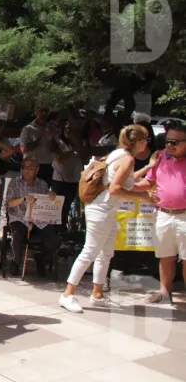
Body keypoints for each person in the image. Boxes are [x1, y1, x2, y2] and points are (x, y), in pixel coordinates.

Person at [59, 125, 151, 312]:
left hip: (105, 210)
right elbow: (115, 188)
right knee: (90, 252)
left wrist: (149, 168)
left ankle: (97, 294)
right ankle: (67, 294)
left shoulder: (117, 154)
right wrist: (143, 197)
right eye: (146, 140)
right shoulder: (128, 160)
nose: (147, 144)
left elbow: (127, 181)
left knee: (105, 253)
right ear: (139, 142)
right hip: (102, 210)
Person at [133, 120, 186, 304]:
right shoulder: (160, 156)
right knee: (165, 256)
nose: (169, 145)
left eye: (175, 142)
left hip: (185, 216)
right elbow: (149, 181)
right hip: (163, 213)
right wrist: (129, 189)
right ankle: (164, 293)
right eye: (167, 141)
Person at [4, 157, 62, 277]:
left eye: (31, 168)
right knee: (17, 235)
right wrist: (23, 199)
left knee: (54, 240)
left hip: (37, 219)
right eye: (25, 168)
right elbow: (9, 203)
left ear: (37, 169)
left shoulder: (42, 184)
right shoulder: (15, 182)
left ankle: (41, 258)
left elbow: (47, 203)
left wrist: (52, 196)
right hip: (19, 217)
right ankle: (16, 260)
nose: (27, 171)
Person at [51, 118, 87, 231]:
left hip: (74, 178)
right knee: (58, 204)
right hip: (60, 178)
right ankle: (55, 228)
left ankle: (64, 226)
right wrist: (72, 150)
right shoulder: (56, 141)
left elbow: (84, 157)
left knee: (68, 205)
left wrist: (75, 144)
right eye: (66, 128)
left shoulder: (78, 142)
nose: (69, 131)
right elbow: (59, 158)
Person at [20, 106, 56, 185]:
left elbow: (55, 150)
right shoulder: (28, 129)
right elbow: (25, 149)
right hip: (30, 167)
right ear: (35, 112)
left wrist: (52, 138)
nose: (44, 113)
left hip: (47, 167)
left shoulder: (52, 129)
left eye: (46, 111)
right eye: (41, 110)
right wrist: (43, 137)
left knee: (44, 194)